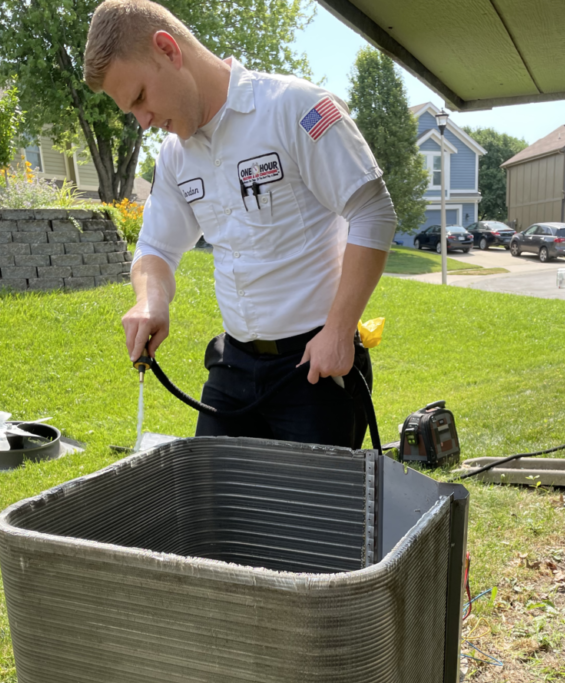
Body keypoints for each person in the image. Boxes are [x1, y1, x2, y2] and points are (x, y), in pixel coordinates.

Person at [84, 0, 397, 447]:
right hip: (233, 366)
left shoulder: (294, 107)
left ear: (168, 50)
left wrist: (339, 331)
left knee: (311, 518)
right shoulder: (174, 156)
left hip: (316, 362)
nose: (144, 121)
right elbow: (155, 248)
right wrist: (151, 300)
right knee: (215, 508)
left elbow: (372, 210)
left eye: (139, 98)